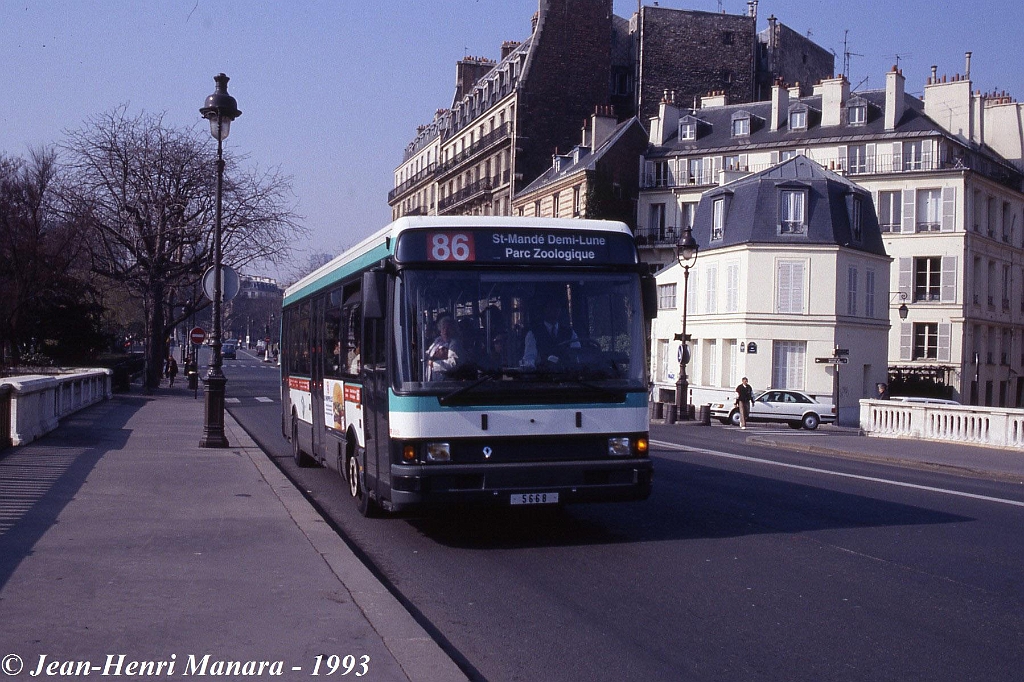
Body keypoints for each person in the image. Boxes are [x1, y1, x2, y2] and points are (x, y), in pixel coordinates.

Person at [521, 298, 580, 368]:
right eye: (551, 307)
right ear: (544, 310)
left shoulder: (570, 332)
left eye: (557, 306)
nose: (554, 310)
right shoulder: (533, 333)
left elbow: (577, 354)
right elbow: (529, 358)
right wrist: (531, 366)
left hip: (567, 373)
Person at [426, 316, 462, 380]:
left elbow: (453, 363)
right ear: (440, 330)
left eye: (448, 328)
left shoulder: (454, 343)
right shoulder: (437, 341)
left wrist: (433, 364)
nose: (445, 331)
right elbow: (428, 354)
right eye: (443, 328)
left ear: (453, 330)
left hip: (446, 382)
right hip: (432, 380)